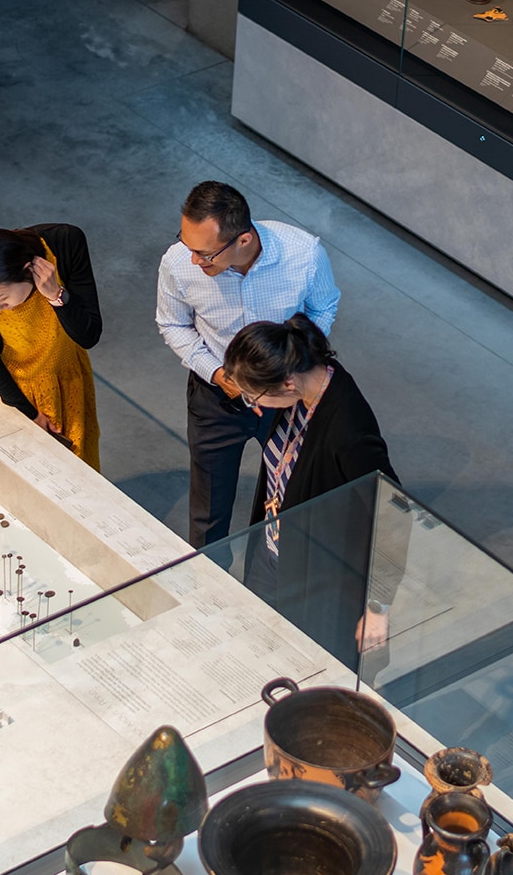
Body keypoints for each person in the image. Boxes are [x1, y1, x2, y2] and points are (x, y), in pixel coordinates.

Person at [156, 181, 340, 546]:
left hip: (286, 395)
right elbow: (172, 323)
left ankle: (272, 577)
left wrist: (292, 361)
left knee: (290, 495)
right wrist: (218, 373)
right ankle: (206, 585)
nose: (194, 260)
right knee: (208, 508)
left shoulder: (304, 254)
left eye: (205, 253)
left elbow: (323, 306)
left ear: (243, 239)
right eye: (186, 243)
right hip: (217, 396)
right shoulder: (178, 263)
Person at [223, 315, 400, 663]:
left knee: (301, 663)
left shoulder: (349, 433)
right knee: (257, 646)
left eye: (252, 395)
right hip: (272, 552)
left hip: (315, 575)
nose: (253, 404)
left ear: (287, 383)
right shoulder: (303, 384)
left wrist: (378, 605)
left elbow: (392, 510)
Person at [0, 225, 103, 469]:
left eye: (1, 299)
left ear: (26, 271)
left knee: (78, 463)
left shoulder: (64, 242)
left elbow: (88, 336)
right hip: (11, 386)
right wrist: (28, 412)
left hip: (66, 375)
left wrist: (56, 295)